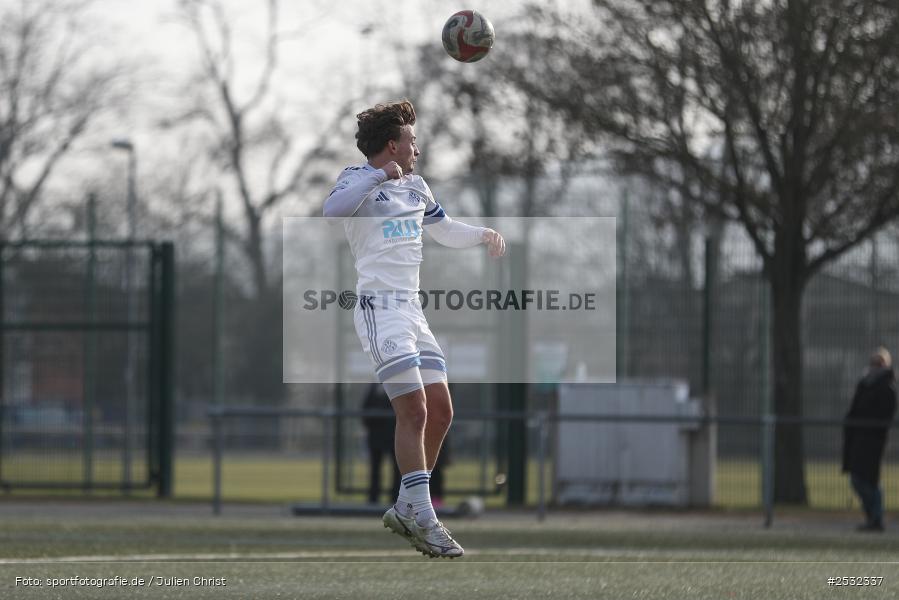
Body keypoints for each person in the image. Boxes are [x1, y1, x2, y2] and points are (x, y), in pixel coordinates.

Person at [323, 100, 505, 558]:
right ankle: (423, 515)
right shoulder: (356, 180)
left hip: (412, 312)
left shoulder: (418, 187)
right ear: (392, 145)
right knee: (415, 410)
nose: (417, 149)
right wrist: (379, 175)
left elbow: (443, 230)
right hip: (378, 309)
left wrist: (481, 233)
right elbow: (332, 210)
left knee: (441, 410)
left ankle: (408, 506)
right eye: (411, 141)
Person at [842, 347, 897, 532]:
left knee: (870, 481)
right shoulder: (864, 384)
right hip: (859, 439)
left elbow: (884, 416)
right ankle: (872, 517)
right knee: (857, 479)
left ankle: (876, 518)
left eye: (879, 363)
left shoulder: (887, 388)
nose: (875, 366)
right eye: (873, 362)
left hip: (873, 441)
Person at [362, 383, 401, 504]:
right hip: (376, 437)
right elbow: (365, 411)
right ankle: (373, 498)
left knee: (397, 469)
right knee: (375, 469)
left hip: (393, 436)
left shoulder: (398, 387)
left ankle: (395, 498)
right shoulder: (374, 388)